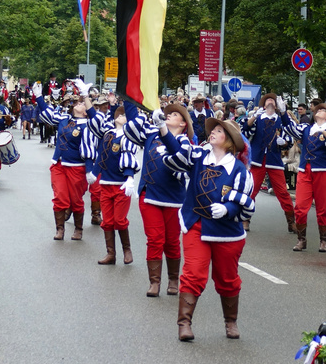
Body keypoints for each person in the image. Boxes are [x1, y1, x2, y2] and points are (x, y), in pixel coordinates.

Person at [159, 116, 255, 341]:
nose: (212, 132)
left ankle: (230, 321)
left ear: (229, 140)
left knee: (227, 279)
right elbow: (176, 151)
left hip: (227, 233)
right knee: (193, 273)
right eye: (213, 130)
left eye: (219, 131)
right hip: (196, 224)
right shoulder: (199, 155)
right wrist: (163, 128)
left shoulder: (239, 170)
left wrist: (227, 209)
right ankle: (184, 323)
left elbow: (242, 200)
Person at [124, 99, 190, 295]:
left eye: (175, 114)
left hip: (173, 200)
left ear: (183, 124)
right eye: (167, 113)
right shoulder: (151, 134)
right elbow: (133, 121)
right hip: (150, 196)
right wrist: (128, 96)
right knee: (155, 239)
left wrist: (162, 127)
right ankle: (154, 282)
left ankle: (172, 279)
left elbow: (178, 156)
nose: (169, 115)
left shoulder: (184, 141)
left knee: (171, 241)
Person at [33, 82, 96, 240]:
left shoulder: (87, 126)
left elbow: (88, 151)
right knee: (60, 197)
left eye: (82, 103)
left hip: (77, 167)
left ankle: (78, 229)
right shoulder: (64, 118)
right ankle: (59, 229)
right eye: (77, 102)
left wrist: (89, 171)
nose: (78, 103)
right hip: (59, 165)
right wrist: (39, 97)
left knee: (75, 200)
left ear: (87, 112)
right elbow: (48, 113)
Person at [281, 100, 326, 253]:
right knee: (300, 207)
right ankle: (301, 239)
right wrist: (283, 113)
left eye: (323, 110)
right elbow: (290, 129)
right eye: (318, 109)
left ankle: (324, 241)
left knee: (322, 209)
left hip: (324, 171)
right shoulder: (306, 128)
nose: (319, 111)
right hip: (305, 170)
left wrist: (325, 134)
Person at [85, 100, 139, 266]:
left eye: (124, 114)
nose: (121, 116)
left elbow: (129, 157)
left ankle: (127, 249)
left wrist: (130, 177)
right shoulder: (108, 134)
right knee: (107, 221)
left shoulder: (129, 136)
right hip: (106, 184)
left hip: (121, 184)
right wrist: (94, 173)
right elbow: (101, 155)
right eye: (119, 114)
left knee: (120, 220)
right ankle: (111, 253)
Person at [246, 93, 296, 233]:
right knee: (251, 190)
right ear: (263, 104)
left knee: (283, 192)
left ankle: (291, 221)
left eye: (273, 101)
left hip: (274, 160)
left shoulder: (280, 120)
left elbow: (290, 134)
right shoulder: (257, 118)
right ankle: (245, 219)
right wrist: (255, 116)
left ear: (276, 106)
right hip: (258, 160)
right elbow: (245, 130)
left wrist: (284, 142)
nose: (270, 102)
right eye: (267, 100)